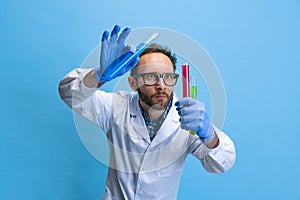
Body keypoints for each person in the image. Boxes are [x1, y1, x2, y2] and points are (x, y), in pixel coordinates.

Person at [59, 24, 236, 200]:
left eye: (167, 77)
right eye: (151, 76)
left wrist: (210, 136)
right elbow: (69, 93)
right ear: (133, 83)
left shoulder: (188, 120)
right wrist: (98, 76)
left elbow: (222, 164)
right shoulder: (115, 106)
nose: (161, 85)